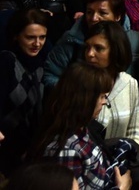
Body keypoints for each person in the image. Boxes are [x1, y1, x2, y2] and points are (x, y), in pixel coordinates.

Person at [32, 62, 132, 190]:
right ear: (84, 99)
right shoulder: (65, 150)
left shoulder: (82, 128)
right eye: (101, 97)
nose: (104, 102)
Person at [0, 9, 48, 174]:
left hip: (32, 146)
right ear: (16, 36)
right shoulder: (6, 61)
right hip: (7, 147)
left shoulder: (41, 63)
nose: (37, 43)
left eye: (42, 37)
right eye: (30, 37)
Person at [83, 21, 139, 144]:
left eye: (99, 48)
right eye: (87, 47)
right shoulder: (78, 82)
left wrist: (127, 155)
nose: (90, 54)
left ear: (115, 50)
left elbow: (133, 131)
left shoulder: (129, 83)